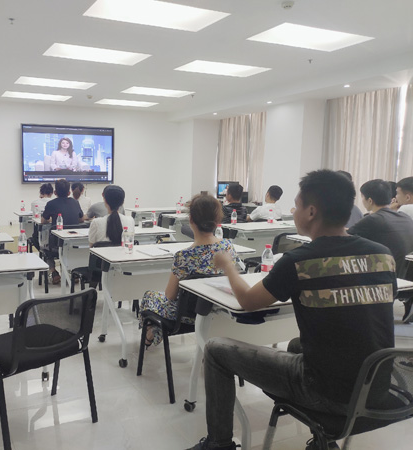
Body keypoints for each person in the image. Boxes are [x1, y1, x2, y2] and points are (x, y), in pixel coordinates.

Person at [188, 170, 397, 450]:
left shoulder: (299, 261)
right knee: (297, 345)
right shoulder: (383, 255)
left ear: (311, 212)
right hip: (378, 388)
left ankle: (219, 443)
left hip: (328, 392)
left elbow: (248, 301)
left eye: (296, 206)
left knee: (215, 349)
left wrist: (228, 266)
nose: (293, 212)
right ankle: (322, 439)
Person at [139, 194, 237, 348]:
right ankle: (152, 334)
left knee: (149, 296)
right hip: (218, 311)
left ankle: (150, 335)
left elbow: (170, 296)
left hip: (186, 315)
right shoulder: (228, 247)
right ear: (217, 221)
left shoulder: (184, 256)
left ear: (191, 220)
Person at [347, 179, 413, 279]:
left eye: (362, 197)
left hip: (387, 275)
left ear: (370, 200)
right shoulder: (404, 217)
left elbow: (344, 237)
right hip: (405, 276)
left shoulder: (373, 219)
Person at [42, 178, 84, 283]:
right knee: (64, 248)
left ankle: (53, 271)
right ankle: (73, 272)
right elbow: (81, 219)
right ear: (69, 193)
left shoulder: (51, 204)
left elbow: (43, 220)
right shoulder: (75, 202)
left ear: (55, 192)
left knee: (44, 247)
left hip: (56, 245)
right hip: (73, 243)